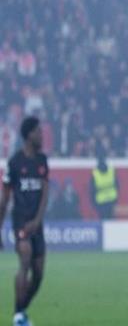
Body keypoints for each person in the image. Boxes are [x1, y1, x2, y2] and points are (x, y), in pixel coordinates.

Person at [0, 117, 49, 326]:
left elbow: (45, 193)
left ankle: (20, 311)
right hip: (21, 221)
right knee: (25, 261)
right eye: (38, 132)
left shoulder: (42, 161)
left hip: (37, 224)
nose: (41, 135)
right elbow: (5, 198)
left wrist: (38, 220)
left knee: (38, 274)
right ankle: (18, 314)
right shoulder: (14, 163)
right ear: (29, 135)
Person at [89, 151, 118, 219]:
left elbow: (91, 190)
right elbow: (117, 185)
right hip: (110, 200)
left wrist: (94, 204)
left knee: (104, 220)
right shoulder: (111, 171)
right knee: (111, 220)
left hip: (102, 202)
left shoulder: (95, 174)